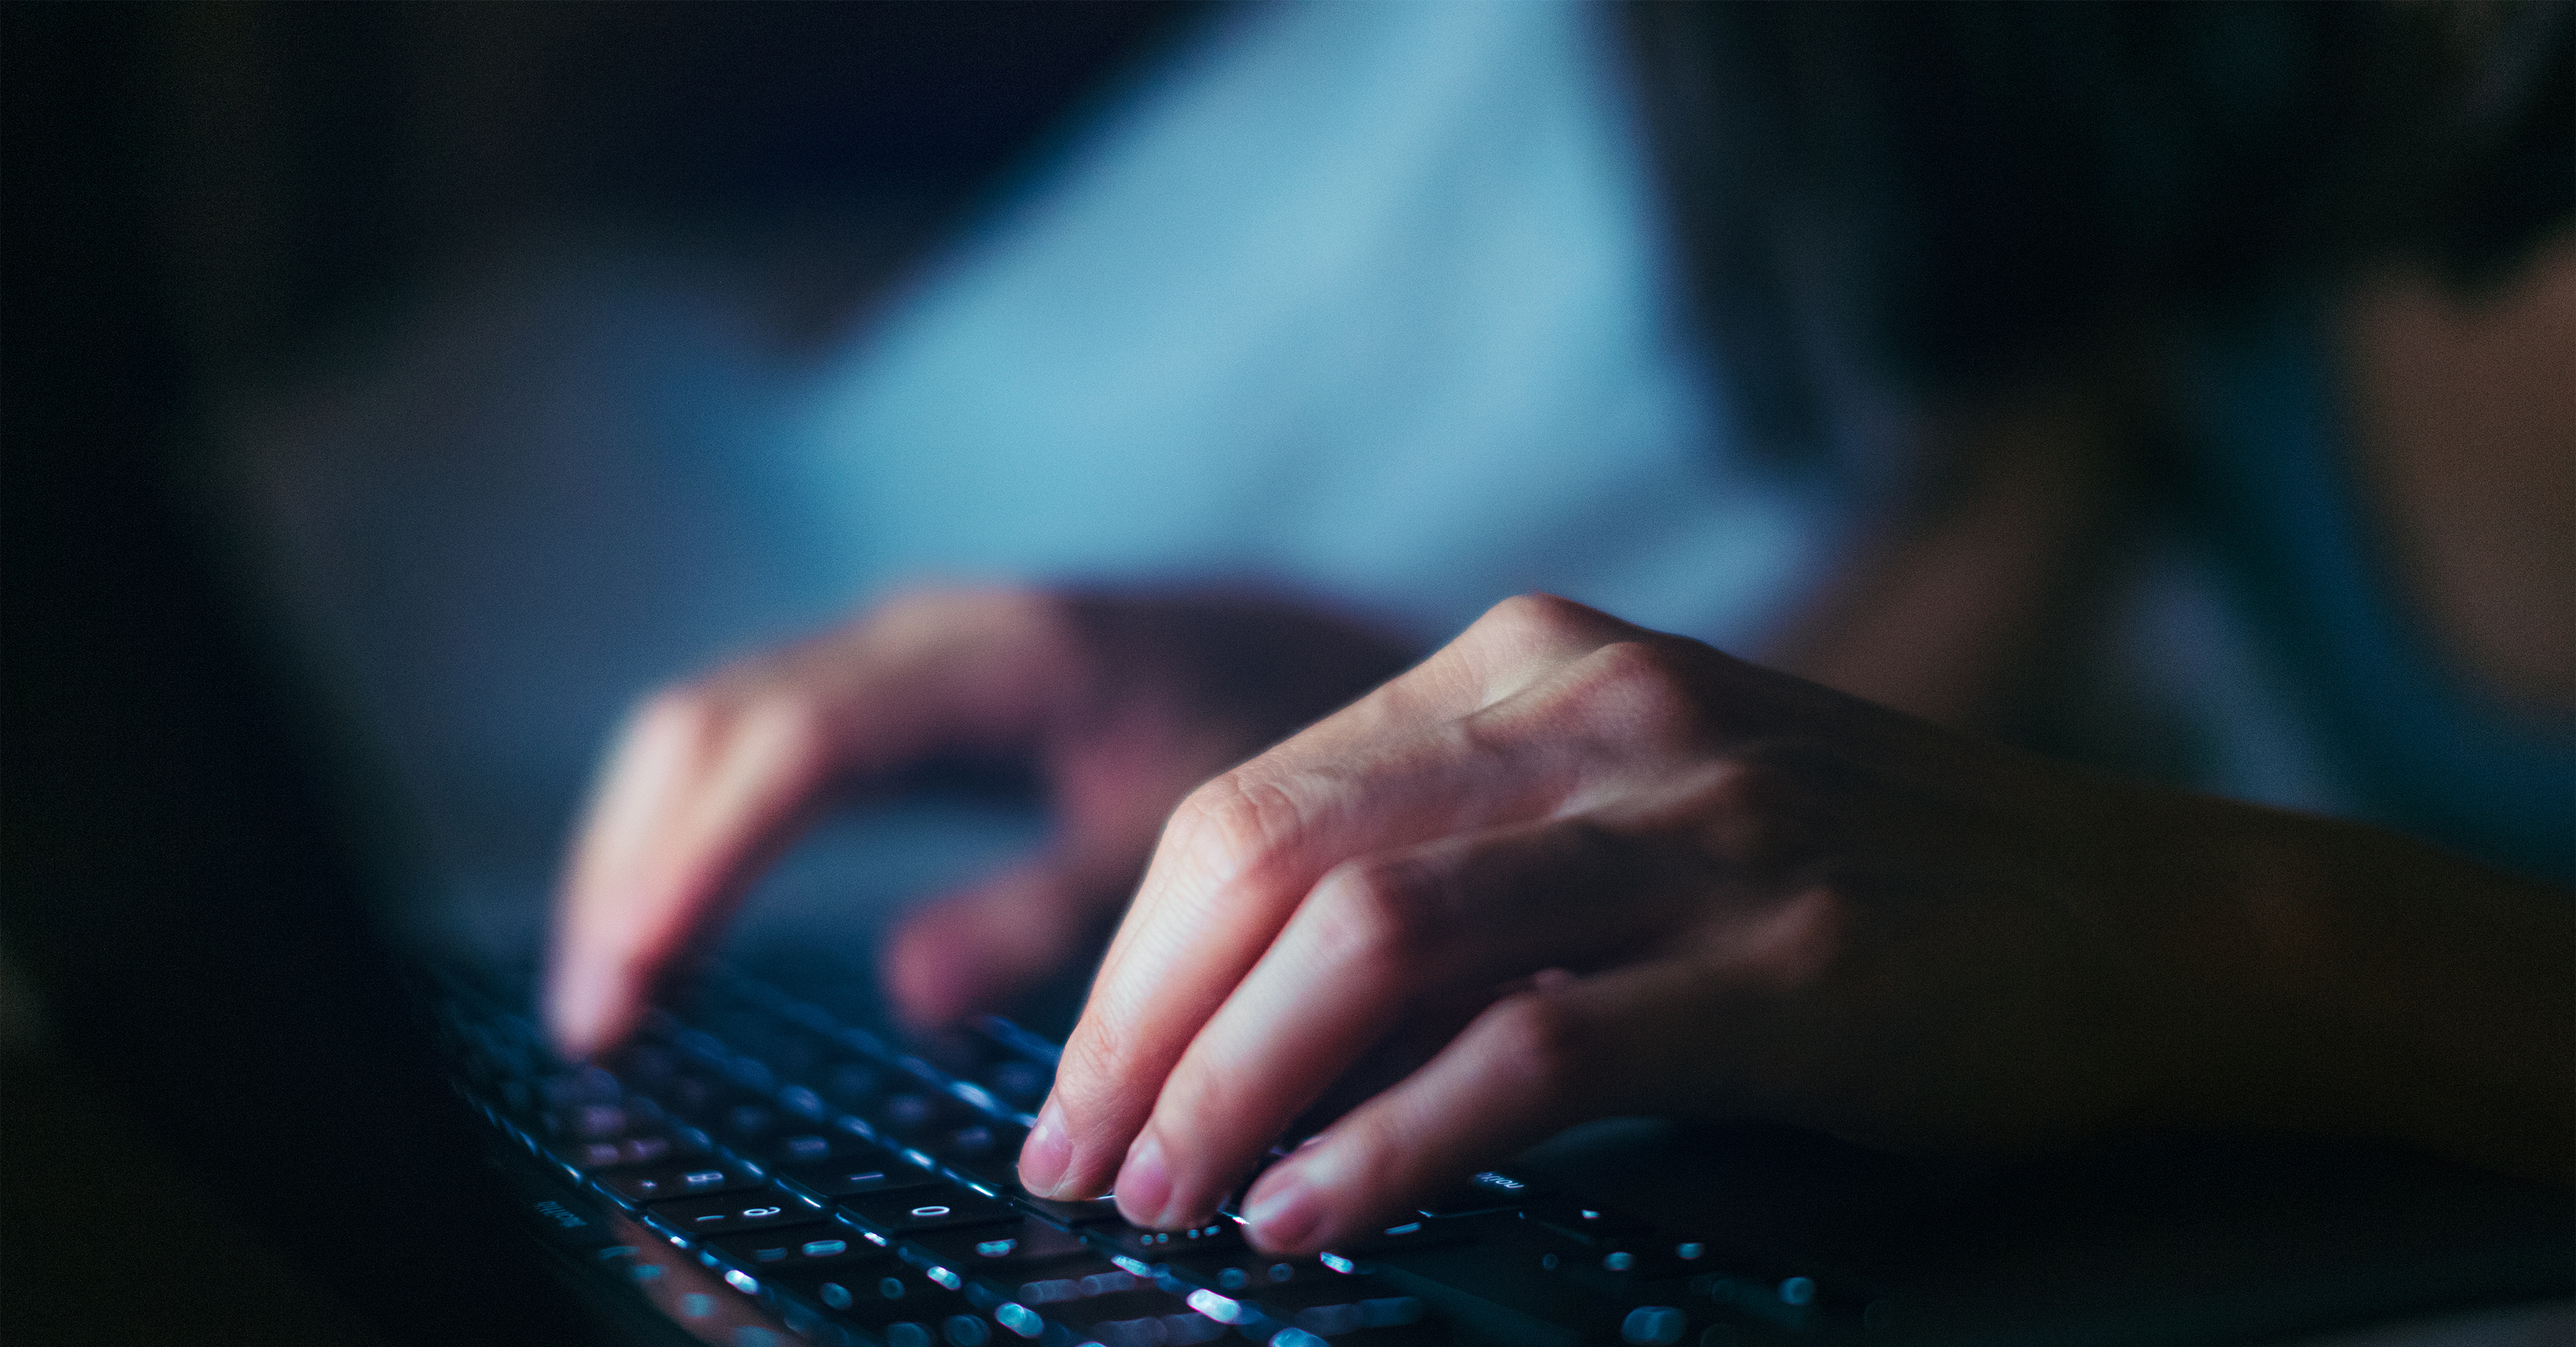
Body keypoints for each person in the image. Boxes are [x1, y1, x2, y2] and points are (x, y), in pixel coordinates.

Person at [545, 1, 2575, 1257]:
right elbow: (1940, 745)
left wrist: (2235, 941)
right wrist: (1422, 781)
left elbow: (2113, 894)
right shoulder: (2242, 89)